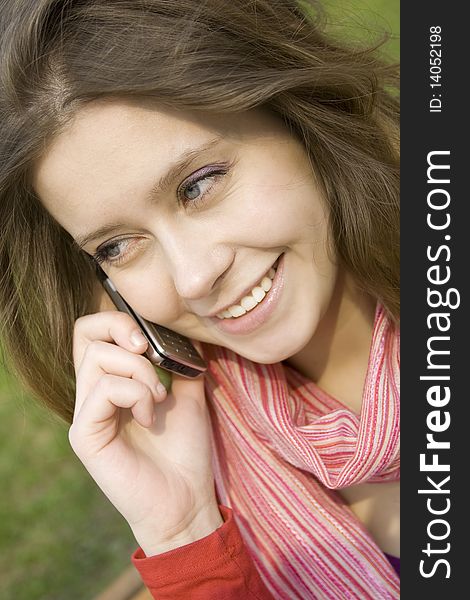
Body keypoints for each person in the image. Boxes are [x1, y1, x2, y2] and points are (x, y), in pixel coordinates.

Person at [0, 0, 400, 598]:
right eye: (117, 246)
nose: (192, 278)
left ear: (302, 119)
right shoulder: (206, 453)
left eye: (200, 185)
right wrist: (184, 537)